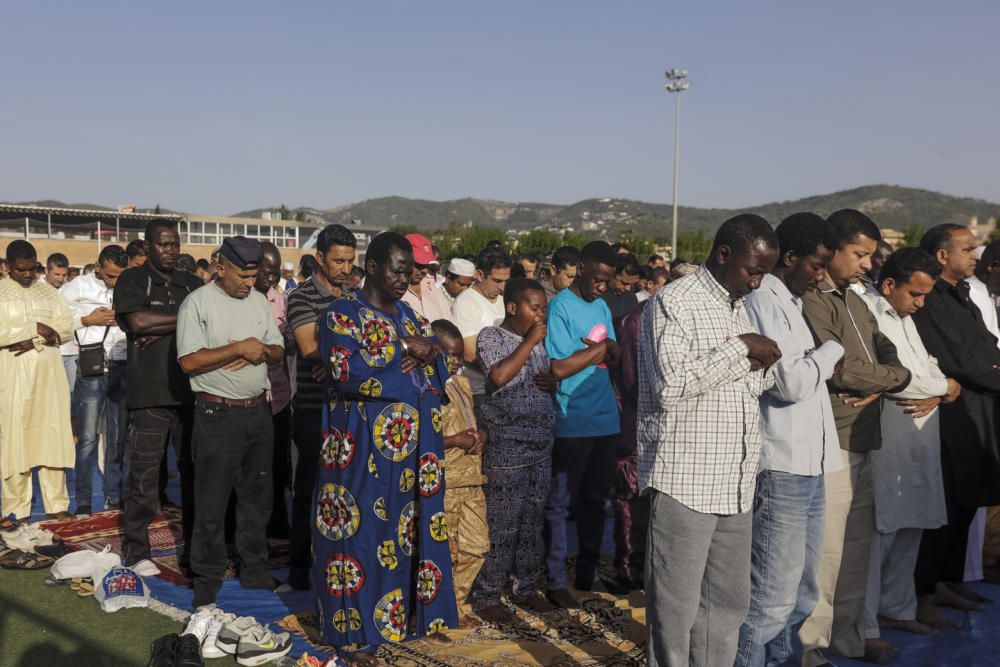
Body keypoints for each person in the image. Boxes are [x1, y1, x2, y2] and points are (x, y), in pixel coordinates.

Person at [637, 215, 781, 667]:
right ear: (723, 254)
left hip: (735, 480)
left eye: (763, 274)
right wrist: (741, 348)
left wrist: (763, 362)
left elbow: (746, 385)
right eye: (753, 270)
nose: (757, 283)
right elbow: (671, 385)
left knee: (726, 606)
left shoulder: (739, 305)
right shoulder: (674, 302)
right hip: (686, 480)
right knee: (675, 609)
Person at [314, 232, 457, 662]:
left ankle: (407, 619)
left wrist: (425, 352)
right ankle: (353, 635)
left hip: (415, 452)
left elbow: (439, 364)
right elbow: (346, 371)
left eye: (409, 272)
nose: (404, 279)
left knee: (408, 534)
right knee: (359, 537)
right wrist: (403, 350)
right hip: (361, 452)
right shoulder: (341, 314)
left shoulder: (411, 315)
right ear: (373, 267)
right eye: (398, 270)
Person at [798, 209, 911, 666]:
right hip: (834, 440)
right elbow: (839, 370)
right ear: (833, 250)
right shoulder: (814, 300)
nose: (868, 264)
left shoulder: (858, 301)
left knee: (856, 550)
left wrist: (885, 380)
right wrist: (887, 378)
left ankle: (846, 639)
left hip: (866, 438)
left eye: (870, 256)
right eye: (860, 254)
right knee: (824, 554)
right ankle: (809, 648)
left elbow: (890, 355)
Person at [735, 213, 844, 667]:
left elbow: (801, 373)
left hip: (810, 463)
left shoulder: (792, 303)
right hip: (781, 465)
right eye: (817, 266)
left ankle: (783, 661)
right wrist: (831, 351)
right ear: (790, 257)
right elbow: (790, 384)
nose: (821, 276)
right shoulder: (764, 300)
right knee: (770, 597)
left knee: (802, 591)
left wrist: (814, 360)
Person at [177, 236, 284, 607]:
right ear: (220, 268)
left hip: (257, 412)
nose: (250, 283)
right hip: (217, 413)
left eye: (254, 276)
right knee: (211, 501)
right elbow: (189, 361)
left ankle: (255, 569)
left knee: (257, 498)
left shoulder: (258, 301)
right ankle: (206, 577)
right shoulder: (198, 302)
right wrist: (236, 349)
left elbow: (277, 349)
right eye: (243, 275)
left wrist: (261, 349)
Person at [860, 247, 957, 645]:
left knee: (910, 528)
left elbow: (926, 364)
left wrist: (939, 386)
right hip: (887, 440)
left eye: (925, 295)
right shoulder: (867, 311)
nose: (920, 303)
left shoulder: (905, 317)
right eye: (915, 294)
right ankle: (865, 626)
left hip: (918, 441)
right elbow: (893, 377)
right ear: (889, 284)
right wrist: (945, 387)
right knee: (879, 535)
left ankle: (897, 609)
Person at [911, 224, 1000, 626]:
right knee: (944, 506)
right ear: (942, 255)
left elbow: (986, 346)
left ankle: (945, 581)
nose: (975, 256)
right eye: (967, 249)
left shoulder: (962, 295)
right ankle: (923, 594)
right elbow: (959, 360)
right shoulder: (930, 299)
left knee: (967, 500)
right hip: (950, 413)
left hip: (978, 409)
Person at [113, 220, 204, 576]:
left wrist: (163, 323)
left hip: (191, 395)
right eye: (163, 244)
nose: (170, 250)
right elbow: (137, 322)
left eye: (174, 244)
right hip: (150, 396)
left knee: (194, 476)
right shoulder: (132, 279)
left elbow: (207, 322)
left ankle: (196, 550)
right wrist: (184, 320)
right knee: (144, 478)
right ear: (148, 245)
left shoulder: (192, 283)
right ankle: (137, 550)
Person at [471, 278, 557, 620]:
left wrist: (553, 382)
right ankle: (488, 594)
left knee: (531, 521)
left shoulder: (537, 341)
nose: (540, 315)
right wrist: (530, 341)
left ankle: (524, 587)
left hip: (540, 444)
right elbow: (499, 376)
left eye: (543, 309)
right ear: (512, 307)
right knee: (503, 523)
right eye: (534, 308)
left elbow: (539, 381)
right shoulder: (492, 336)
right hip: (508, 448)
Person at [543, 240, 622, 609]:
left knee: (596, 502)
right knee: (559, 504)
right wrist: (600, 350)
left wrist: (603, 351)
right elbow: (559, 367)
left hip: (605, 419)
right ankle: (556, 580)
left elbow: (613, 351)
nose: (602, 287)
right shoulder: (560, 306)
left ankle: (588, 574)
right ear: (581, 269)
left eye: (608, 281)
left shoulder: (602, 306)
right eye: (598, 279)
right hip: (572, 420)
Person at [286, 224, 357, 590]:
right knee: (309, 492)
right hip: (314, 410)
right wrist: (343, 356)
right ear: (319, 258)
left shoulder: (356, 297)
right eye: (338, 261)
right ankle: (299, 570)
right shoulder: (301, 297)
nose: (345, 268)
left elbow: (370, 345)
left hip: (350, 410)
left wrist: (334, 361)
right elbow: (309, 347)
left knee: (347, 491)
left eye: (350, 261)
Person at [0, 240, 75, 526]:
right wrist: (33, 329)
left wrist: (34, 339)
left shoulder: (49, 292)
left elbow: (65, 329)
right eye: (21, 269)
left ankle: (57, 504)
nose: (28, 274)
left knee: (52, 435)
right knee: (15, 439)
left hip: (49, 376)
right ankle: (16, 508)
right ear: (8, 266)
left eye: (32, 269)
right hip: (13, 376)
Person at [60, 244, 130, 516]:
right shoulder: (76, 287)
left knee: (117, 437)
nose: (115, 281)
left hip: (121, 365)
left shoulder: (129, 286)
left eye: (120, 276)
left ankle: (115, 496)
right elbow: (57, 321)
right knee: (88, 438)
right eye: (110, 275)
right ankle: (84, 501)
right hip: (91, 367)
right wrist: (87, 320)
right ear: (98, 267)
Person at [431, 319, 489, 628]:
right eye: (450, 356)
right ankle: (445, 609)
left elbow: (473, 421)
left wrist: (481, 435)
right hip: (446, 480)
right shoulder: (424, 388)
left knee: (477, 547)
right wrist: (455, 441)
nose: (456, 362)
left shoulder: (462, 384)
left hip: (472, 477)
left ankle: (457, 601)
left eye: (458, 355)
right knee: (447, 550)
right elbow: (414, 439)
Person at [255, 242, 295, 538]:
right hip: (252, 394)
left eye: (276, 272)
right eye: (267, 271)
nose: (272, 277)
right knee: (254, 465)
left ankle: (278, 521)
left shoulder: (280, 298)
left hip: (279, 393)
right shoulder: (241, 299)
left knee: (279, 463)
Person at [609, 289, 649, 591]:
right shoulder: (637, 320)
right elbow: (632, 379)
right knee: (631, 496)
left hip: (662, 426)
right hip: (636, 424)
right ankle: (629, 566)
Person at [452, 250, 510, 417]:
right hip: (479, 393)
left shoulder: (504, 300)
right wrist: (505, 373)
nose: (502, 287)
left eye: (506, 281)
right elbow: (470, 353)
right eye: (497, 281)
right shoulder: (465, 303)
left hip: (503, 389)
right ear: (479, 275)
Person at [401, 233, 453, 323]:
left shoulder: (434, 290)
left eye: (427, 265)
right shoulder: (396, 295)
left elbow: (451, 325)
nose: (424, 270)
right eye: (418, 264)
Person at [602, 253, 641, 321]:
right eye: (624, 283)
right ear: (611, 274)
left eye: (631, 284)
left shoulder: (631, 298)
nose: (628, 289)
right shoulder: (597, 296)